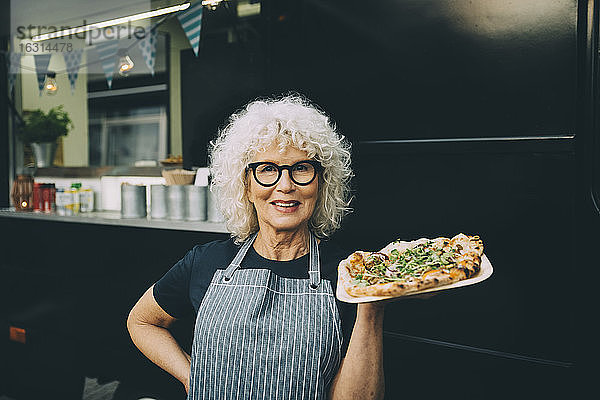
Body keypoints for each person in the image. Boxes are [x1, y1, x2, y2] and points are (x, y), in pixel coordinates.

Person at [127, 95, 385, 399]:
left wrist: (371, 306)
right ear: (245, 185)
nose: (285, 185)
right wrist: (190, 376)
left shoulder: (349, 274)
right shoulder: (207, 261)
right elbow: (142, 322)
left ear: (322, 183)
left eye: (301, 168)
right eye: (267, 169)